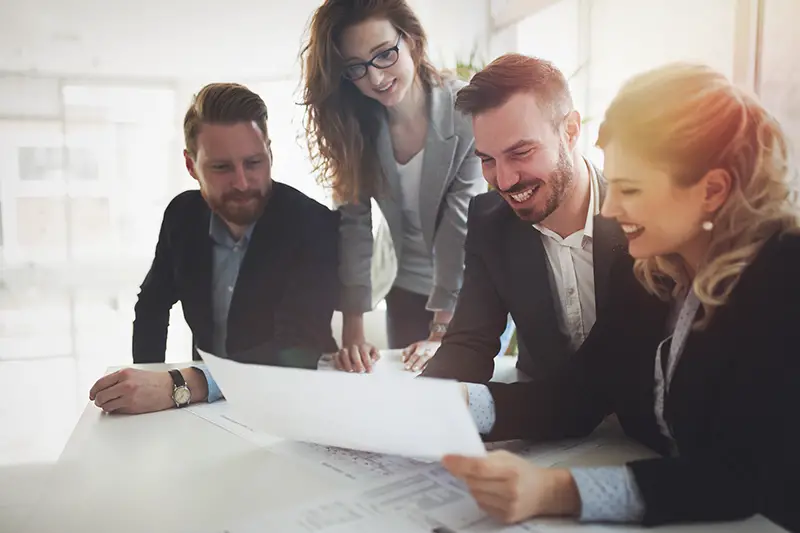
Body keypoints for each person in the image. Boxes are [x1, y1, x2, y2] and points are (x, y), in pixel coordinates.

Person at [442, 63, 800, 531]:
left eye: (630, 189)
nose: (610, 208)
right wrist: (457, 405)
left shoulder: (783, 276)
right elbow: (580, 393)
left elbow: (745, 474)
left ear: (712, 190)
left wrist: (557, 491)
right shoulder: (652, 268)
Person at [88, 83, 340, 414]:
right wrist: (148, 381)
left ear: (270, 153)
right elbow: (152, 304)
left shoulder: (314, 224)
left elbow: (297, 347)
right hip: (208, 407)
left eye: (254, 162)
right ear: (191, 166)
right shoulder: (182, 215)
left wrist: (180, 385)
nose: (242, 182)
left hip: (293, 399)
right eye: (221, 168)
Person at [301, 0, 486, 373]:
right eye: (356, 67)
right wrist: (352, 328)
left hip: (472, 289)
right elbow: (354, 226)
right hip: (407, 286)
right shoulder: (356, 125)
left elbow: (459, 222)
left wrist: (441, 329)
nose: (375, 78)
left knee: (461, 396)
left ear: (411, 40)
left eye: (384, 54)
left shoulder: (464, 109)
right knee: (404, 398)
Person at [419, 54, 628, 380]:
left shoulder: (638, 215)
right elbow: (469, 343)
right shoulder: (490, 223)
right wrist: (422, 406)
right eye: (487, 159)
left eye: (521, 153)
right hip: (542, 413)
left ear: (571, 131)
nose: (503, 181)